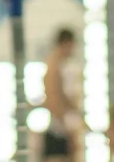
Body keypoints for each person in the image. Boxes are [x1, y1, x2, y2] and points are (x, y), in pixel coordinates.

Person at [42, 28, 81, 161]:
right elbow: (53, 98)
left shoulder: (61, 65)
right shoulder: (53, 66)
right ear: (65, 44)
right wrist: (66, 128)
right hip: (59, 127)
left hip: (63, 124)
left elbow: (63, 96)